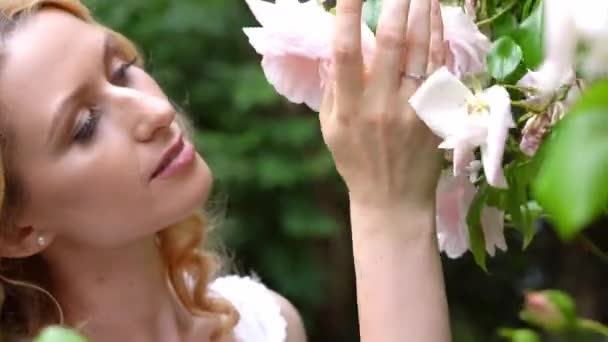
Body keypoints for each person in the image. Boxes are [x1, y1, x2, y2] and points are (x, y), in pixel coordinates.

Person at [0, 0, 451, 340]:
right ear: (17, 231)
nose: (154, 110)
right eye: (85, 126)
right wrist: (388, 206)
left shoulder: (262, 322)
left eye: (122, 71)